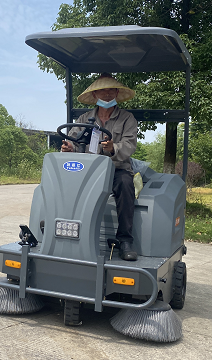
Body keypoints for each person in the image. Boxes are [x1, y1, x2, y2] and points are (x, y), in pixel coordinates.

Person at [61, 73, 138, 261]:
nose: (107, 94)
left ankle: (125, 240)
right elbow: (72, 141)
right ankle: (62, 229)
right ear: (95, 95)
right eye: (102, 90)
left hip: (115, 169)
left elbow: (129, 146)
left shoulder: (127, 119)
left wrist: (113, 148)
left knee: (126, 184)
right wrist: (69, 149)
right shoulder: (83, 119)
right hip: (88, 171)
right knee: (64, 183)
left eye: (111, 90)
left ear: (117, 93)